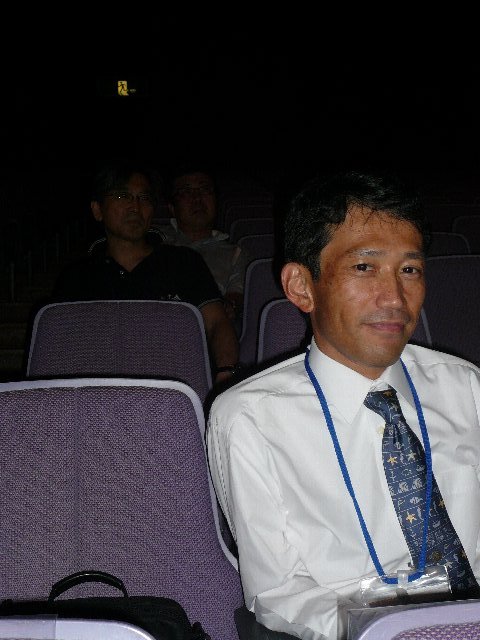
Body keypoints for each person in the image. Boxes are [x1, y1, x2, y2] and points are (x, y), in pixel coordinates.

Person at [206, 169, 480, 639]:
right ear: (301, 286)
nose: (394, 298)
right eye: (364, 268)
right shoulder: (250, 419)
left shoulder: (466, 387)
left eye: (409, 270)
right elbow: (279, 594)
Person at [51, 159, 239, 385]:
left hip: (175, 388)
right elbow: (60, 346)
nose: (135, 207)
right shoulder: (76, 278)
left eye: (144, 198)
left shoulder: (184, 262)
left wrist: (225, 374)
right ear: (98, 210)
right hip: (98, 392)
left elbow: (217, 323)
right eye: (123, 196)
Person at [156, 163, 251, 333]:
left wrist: (228, 306)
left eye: (205, 190)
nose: (197, 198)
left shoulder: (235, 253)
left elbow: (235, 297)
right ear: (172, 208)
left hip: (206, 330)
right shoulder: (154, 239)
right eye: (186, 192)